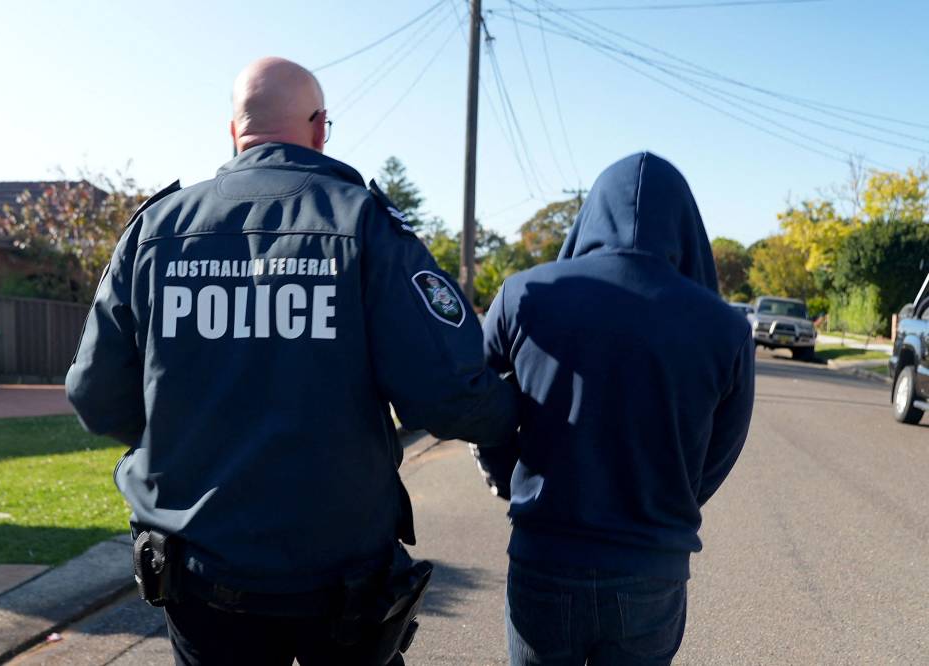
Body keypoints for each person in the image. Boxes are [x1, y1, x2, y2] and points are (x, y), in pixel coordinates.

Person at [65, 56, 517, 666]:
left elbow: (95, 395)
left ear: (233, 132)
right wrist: (525, 419)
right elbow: (450, 393)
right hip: (340, 581)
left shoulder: (155, 232)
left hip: (201, 570)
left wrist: (176, 440)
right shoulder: (365, 225)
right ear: (320, 126)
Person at [479, 152, 755, 665]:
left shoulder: (525, 295)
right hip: (652, 565)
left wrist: (502, 470)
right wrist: (667, 499)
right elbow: (722, 447)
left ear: (591, 212)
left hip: (546, 553)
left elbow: (473, 394)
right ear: (684, 226)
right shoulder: (726, 329)